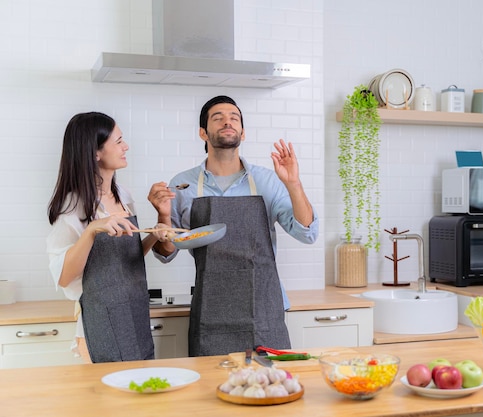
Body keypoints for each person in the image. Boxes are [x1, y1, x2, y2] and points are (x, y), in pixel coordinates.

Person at [148, 95, 319, 356]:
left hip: (263, 311)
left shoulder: (268, 181)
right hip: (210, 312)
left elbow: (307, 233)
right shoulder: (183, 185)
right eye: (218, 118)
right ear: (203, 133)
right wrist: (162, 216)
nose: (227, 122)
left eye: (234, 118)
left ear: (243, 132)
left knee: (270, 390)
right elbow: (167, 252)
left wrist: (293, 183)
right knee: (210, 392)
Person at [47, 112, 160, 363]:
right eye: (118, 141)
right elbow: (64, 277)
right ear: (95, 152)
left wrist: (153, 234)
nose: (126, 146)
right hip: (101, 323)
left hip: (134, 315)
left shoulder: (124, 196)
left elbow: (122, 258)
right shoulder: (72, 206)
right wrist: (91, 230)